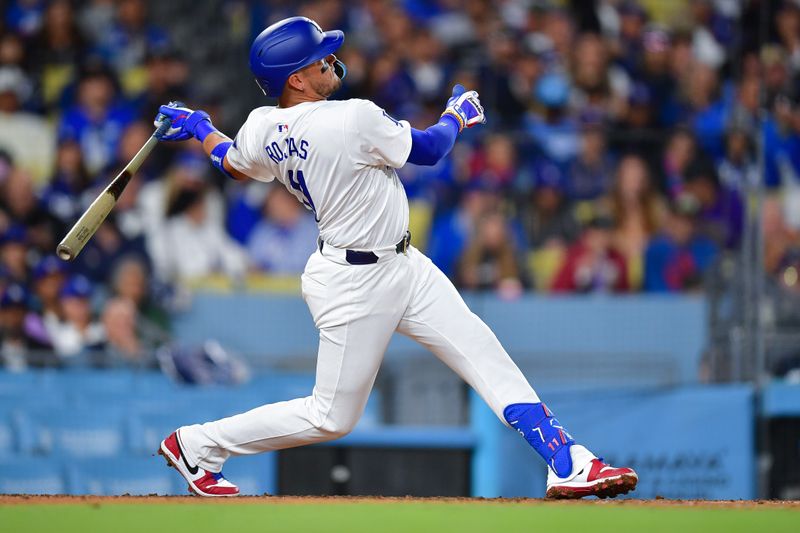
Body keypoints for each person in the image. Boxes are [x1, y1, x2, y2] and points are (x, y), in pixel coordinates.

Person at [152, 17, 637, 499]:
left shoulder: (261, 125)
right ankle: (198, 444)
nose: (330, 58)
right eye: (317, 56)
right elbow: (429, 149)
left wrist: (198, 126)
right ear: (295, 79)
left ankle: (568, 460)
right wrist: (458, 114)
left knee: (484, 351)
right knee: (331, 417)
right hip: (352, 280)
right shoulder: (350, 117)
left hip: (404, 263)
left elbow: (233, 162)